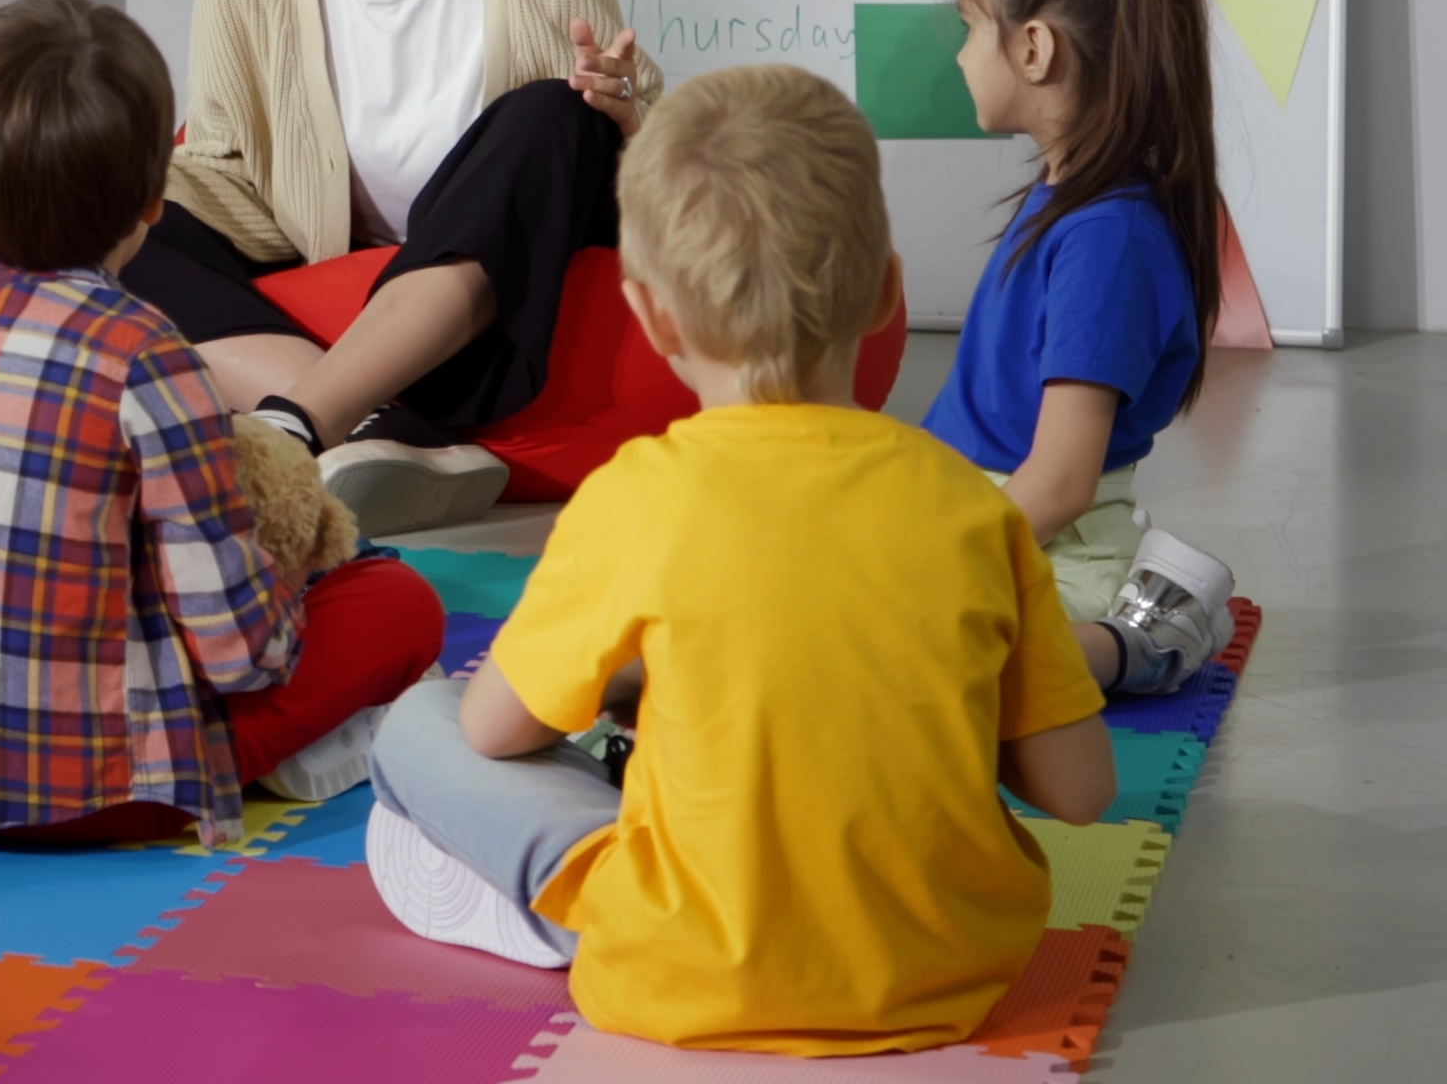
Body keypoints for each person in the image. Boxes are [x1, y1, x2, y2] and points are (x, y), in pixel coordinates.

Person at [363, 66, 1116, 1055]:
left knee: (417, 723)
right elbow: (1081, 790)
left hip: (679, 971)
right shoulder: (973, 511)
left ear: (653, 316)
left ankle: (534, 908)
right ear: (888, 291)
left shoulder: (636, 495)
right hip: (951, 973)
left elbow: (497, 730)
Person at [0, 0, 447, 847]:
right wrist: (300, 578)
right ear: (155, 202)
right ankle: (293, 754)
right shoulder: (143, 352)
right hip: (99, 791)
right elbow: (239, 651)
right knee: (398, 599)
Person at [122, 0, 663, 536]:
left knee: (554, 113)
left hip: (490, 315)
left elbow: (642, 176)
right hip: (317, 276)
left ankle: (299, 422)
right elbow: (218, 164)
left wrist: (625, 119)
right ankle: (374, 425)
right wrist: (127, 215)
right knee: (120, 222)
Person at [924, 0, 1241, 694]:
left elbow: (1060, 482)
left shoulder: (1110, 240)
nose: (960, 55)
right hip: (978, 515)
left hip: (1047, 550)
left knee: (914, 657)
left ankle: (1143, 641)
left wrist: (928, 555)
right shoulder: (1071, 200)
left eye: (969, 30)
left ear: (1033, 48)